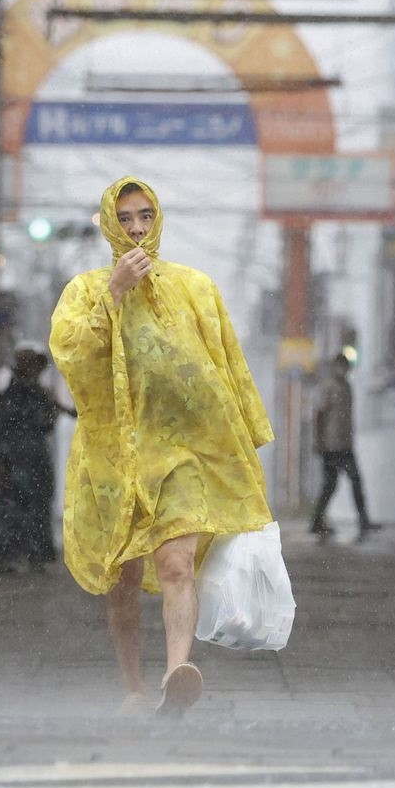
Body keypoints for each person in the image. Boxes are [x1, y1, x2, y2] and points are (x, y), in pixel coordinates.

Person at [50, 176, 275, 718]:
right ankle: (133, 685)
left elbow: (226, 362)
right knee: (122, 577)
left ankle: (178, 669)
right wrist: (115, 293)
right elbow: (72, 351)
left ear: (159, 220)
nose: (136, 228)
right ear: (109, 223)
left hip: (182, 455)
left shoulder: (195, 287)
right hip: (114, 457)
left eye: (145, 216)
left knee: (177, 563)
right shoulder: (85, 292)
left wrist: (244, 432)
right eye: (125, 218)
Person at [0, 341, 74, 574]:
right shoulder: (13, 397)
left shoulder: (35, 395)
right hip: (17, 460)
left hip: (32, 460)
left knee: (31, 508)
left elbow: (44, 424)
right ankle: (14, 555)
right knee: (14, 509)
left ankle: (29, 555)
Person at [309, 353, 374, 541]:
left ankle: (320, 520)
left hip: (344, 444)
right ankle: (317, 521)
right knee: (334, 483)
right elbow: (320, 414)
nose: (342, 370)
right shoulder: (329, 387)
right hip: (331, 445)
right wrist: (319, 441)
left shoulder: (347, 387)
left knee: (347, 482)